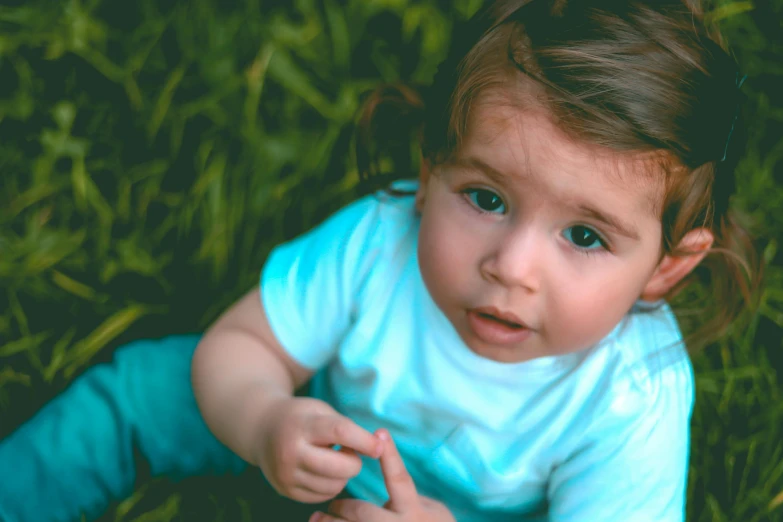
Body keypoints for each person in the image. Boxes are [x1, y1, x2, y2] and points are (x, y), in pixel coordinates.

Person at [0, 1, 756, 521]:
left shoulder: (630, 396)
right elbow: (243, 345)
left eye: (584, 237)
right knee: (147, 390)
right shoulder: (379, 240)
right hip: (318, 423)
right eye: (486, 198)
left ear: (665, 269)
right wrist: (264, 419)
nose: (511, 266)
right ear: (430, 173)